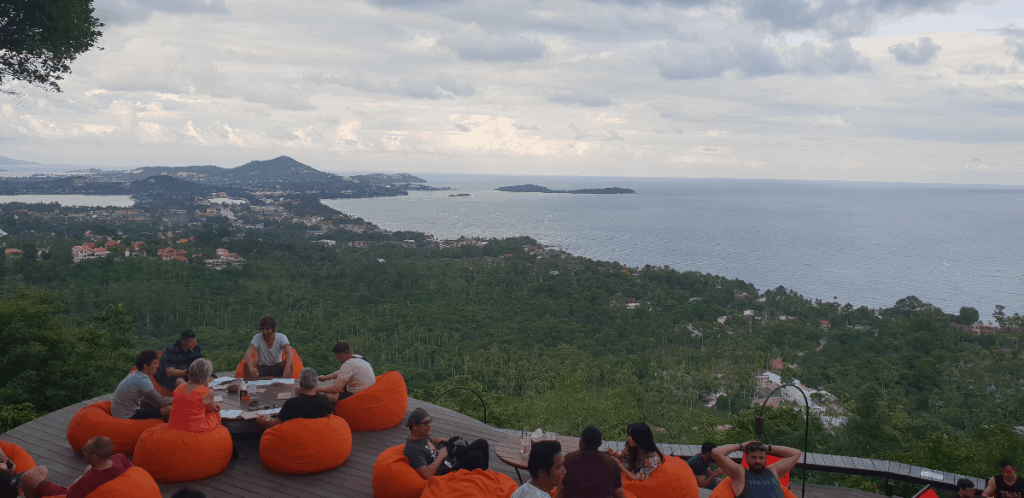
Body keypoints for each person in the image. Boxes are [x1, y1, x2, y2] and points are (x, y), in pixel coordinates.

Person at [0, 437, 131, 498]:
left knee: (28, 477)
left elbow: (68, 494)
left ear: (95, 456)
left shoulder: (86, 484)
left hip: (65, 493)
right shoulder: (119, 459)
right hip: (94, 485)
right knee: (42, 469)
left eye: (85, 450)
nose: (81, 450)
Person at [403, 407, 490, 478]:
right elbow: (426, 474)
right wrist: (440, 456)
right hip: (445, 473)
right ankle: (483, 482)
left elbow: (432, 440)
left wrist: (443, 440)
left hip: (449, 460)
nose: (429, 426)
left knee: (482, 443)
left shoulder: (421, 435)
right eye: (425, 423)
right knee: (476, 457)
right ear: (414, 426)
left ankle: (485, 477)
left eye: (429, 422)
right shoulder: (413, 449)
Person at [712, 440, 801, 498]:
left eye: (761, 458)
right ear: (746, 458)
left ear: (766, 458)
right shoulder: (740, 474)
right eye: (753, 457)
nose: (757, 461)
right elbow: (716, 452)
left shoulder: (774, 471)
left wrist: (768, 448)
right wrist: (741, 446)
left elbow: (796, 453)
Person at [561, 426, 626, 498]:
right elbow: (619, 493)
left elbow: (560, 489)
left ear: (581, 441)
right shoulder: (611, 462)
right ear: (600, 443)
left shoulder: (568, 459)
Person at [257, 367, 333, 428]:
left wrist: (267, 419)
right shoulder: (325, 400)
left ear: (300, 384)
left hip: (297, 435)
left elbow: (276, 423)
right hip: (318, 433)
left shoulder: (292, 403)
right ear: (316, 384)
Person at [111, 350, 173, 420]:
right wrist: (177, 399)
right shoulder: (142, 380)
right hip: (127, 415)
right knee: (170, 408)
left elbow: (152, 399)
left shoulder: (136, 374)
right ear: (146, 366)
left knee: (152, 403)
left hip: (119, 411)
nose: (157, 366)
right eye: (155, 363)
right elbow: (161, 401)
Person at [167, 359, 222, 433]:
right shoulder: (208, 391)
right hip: (195, 428)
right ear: (207, 376)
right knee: (215, 414)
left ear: (189, 373)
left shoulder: (179, 387)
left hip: (174, 426)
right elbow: (212, 409)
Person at [243, 315, 293, 380]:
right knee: (246, 364)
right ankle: (252, 383)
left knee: (290, 363)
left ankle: (285, 383)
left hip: (277, 366)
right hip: (261, 367)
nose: (264, 331)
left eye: (267, 329)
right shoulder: (257, 338)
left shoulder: (281, 337)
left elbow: (289, 352)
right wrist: (251, 368)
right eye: (262, 329)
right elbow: (249, 354)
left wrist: (287, 367)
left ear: (273, 329)